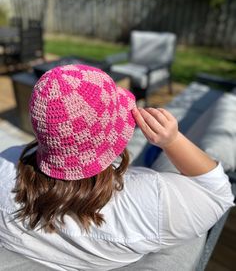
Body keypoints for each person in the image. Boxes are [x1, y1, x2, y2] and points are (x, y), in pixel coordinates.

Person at [0, 64, 234, 271]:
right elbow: (218, 193)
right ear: (109, 140)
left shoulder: (5, 172)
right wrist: (172, 141)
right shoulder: (147, 204)